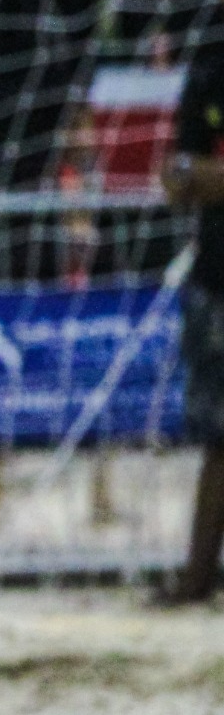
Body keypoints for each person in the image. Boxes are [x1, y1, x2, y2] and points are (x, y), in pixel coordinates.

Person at [160, 39, 224, 604]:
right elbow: (175, 177)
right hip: (216, 280)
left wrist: (204, 175)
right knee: (217, 438)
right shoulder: (208, 72)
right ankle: (197, 578)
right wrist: (194, 174)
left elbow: (193, 173)